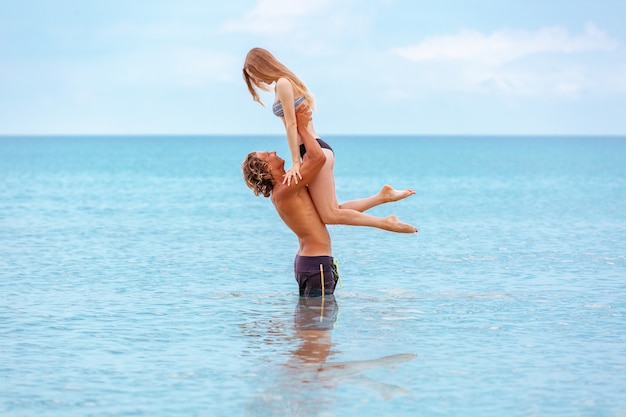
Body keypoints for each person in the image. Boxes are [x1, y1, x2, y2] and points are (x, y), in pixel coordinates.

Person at [242, 104, 417, 297]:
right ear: (265, 169)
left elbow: (335, 208)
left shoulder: (286, 186)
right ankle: (385, 222)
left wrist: (298, 125)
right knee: (317, 325)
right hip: (316, 263)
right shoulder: (285, 187)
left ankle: (382, 197)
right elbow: (318, 158)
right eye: (268, 155)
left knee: (333, 209)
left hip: (312, 262)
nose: (273, 152)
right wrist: (302, 126)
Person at [243, 47, 418, 233]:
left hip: (313, 150)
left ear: (261, 66)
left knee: (329, 215)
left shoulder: (283, 83)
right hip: (314, 148)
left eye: (253, 74)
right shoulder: (282, 84)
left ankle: (386, 222)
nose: (256, 80)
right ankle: (383, 196)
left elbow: (292, 125)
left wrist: (295, 163)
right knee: (333, 210)